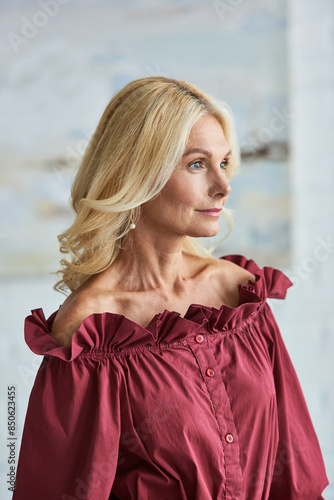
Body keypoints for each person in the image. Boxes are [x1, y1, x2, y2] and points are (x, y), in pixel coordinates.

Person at [13, 76, 328, 500]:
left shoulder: (241, 296)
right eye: (197, 164)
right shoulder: (89, 334)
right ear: (138, 171)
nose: (223, 185)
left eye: (225, 162)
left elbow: (292, 471)